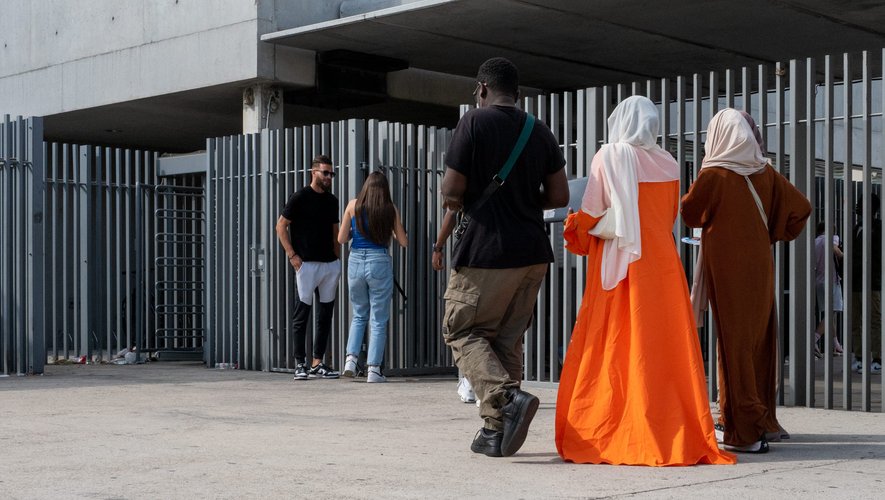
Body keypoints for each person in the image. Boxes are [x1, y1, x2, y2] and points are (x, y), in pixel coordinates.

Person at [554, 96, 735, 466]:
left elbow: (590, 213)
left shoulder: (609, 157)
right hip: (663, 265)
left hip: (619, 267)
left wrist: (574, 230)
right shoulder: (668, 162)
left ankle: (610, 426)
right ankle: (667, 426)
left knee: (614, 344)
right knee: (660, 347)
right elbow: (669, 213)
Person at [440, 57, 569, 458]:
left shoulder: (474, 123)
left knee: (462, 330)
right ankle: (495, 433)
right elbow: (560, 197)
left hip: (487, 250)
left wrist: (468, 203)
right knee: (507, 342)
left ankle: (506, 400)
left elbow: (450, 192)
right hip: (532, 252)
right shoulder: (540, 131)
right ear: (519, 93)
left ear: (481, 89)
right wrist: (525, 202)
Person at [682, 108, 811, 453]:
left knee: (733, 345)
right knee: (759, 341)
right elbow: (801, 209)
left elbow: (689, 213)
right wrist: (768, 233)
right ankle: (762, 418)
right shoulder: (765, 172)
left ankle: (744, 429)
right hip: (760, 266)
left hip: (727, 269)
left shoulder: (715, 174)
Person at [275, 155, 342, 380]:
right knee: (302, 313)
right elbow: (280, 227)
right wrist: (292, 255)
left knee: (325, 315)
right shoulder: (300, 197)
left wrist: (337, 259)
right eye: (325, 173)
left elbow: (335, 232)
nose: (329, 177)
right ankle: (300, 363)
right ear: (313, 172)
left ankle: (317, 362)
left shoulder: (332, 201)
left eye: (331, 173)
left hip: (329, 265)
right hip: (306, 264)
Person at [338, 171, 408, 383]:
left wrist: (354, 230)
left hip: (356, 260)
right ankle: (373, 370)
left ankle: (350, 360)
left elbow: (341, 239)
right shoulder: (390, 209)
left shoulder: (353, 205)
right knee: (378, 318)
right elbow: (404, 241)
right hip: (379, 260)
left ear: (366, 186)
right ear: (384, 189)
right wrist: (393, 231)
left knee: (359, 314)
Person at [432, 209, 479, 405]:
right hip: (512, 259)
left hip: (472, 259)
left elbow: (451, 212)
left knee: (459, 328)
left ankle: (472, 384)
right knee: (498, 327)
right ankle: (499, 392)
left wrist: (438, 247)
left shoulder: (468, 179)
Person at [850, 194, 882, 374]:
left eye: (860, 204)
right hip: (856, 280)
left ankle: (878, 358)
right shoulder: (857, 227)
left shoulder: (878, 228)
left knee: (874, 320)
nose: (857, 207)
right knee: (856, 320)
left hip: (871, 281)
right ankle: (860, 357)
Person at [813, 221, 844, 357]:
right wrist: (844, 256)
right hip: (832, 280)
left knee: (829, 314)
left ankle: (836, 345)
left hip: (819, 281)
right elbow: (836, 251)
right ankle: (814, 340)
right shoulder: (832, 238)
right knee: (832, 313)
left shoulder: (814, 242)